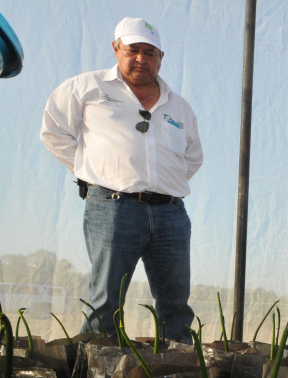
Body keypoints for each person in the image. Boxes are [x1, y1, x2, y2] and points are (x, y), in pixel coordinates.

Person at [40, 17, 202, 342]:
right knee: (106, 302)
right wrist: (93, 170)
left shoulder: (179, 106)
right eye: (134, 50)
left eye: (150, 52)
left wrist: (162, 183)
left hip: (171, 214)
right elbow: (54, 132)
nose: (142, 58)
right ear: (116, 49)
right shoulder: (86, 88)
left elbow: (193, 157)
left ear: (161, 57)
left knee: (175, 305)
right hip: (113, 208)